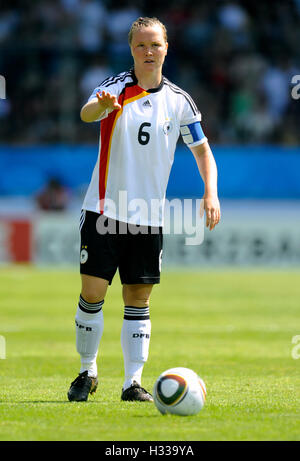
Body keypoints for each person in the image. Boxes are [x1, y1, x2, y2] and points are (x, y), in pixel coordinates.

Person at [67, 17, 221, 402]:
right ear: (131, 49)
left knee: (139, 299)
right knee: (93, 294)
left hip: (148, 218)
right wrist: (101, 108)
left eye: (155, 44)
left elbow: (202, 150)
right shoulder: (115, 87)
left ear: (166, 48)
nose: (148, 52)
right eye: (141, 45)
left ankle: (131, 383)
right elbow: (86, 113)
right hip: (104, 210)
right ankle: (87, 373)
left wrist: (211, 193)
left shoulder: (179, 101)